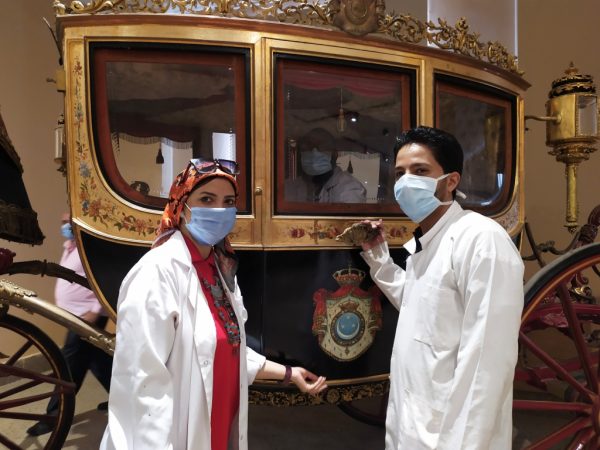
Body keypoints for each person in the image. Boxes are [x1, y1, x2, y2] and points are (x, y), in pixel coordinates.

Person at [100, 158, 327, 450]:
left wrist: (287, 373)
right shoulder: (156, 273)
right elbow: (141, 385)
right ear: (181, 206)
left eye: (228, 202)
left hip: (218, 430)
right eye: (206, 199)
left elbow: (223, 348)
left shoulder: (220, 269)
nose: (219, 210)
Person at [359, 126, 524, 449]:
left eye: (420, 171)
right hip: (411, 426)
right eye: (400, 173)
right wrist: (379, 259)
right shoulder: (428, 240)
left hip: (452, 436)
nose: (406, 182)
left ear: (451, 181)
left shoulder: (481, 240)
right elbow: (419, 306)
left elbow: (487, 364)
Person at [27, 213, 113, 436]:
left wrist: (95, 311)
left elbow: (103, 279)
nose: (65, 226)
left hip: (86, 315)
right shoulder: (71, 247)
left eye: (69, 222)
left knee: (70, 362)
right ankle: (122, 398)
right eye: (63, 222)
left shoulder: (89, 248)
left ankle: (55, 415)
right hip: (75, 314)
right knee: (97, 360)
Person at [286, 128, 366, 203]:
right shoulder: (289, 186)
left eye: (320, 147)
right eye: (308, 148)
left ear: (335, 154)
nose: (314, 153)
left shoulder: (350, 188)